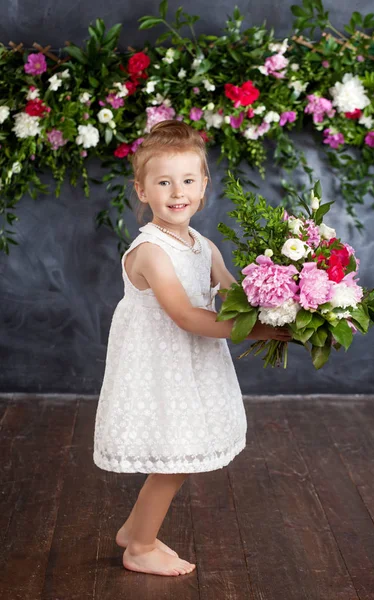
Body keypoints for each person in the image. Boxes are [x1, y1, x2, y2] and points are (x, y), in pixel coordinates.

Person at [93, 119, 292, 577]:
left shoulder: (201, 244)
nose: (177, 191)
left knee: (180, 453)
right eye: (163, 182)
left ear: (203, 186)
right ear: (142, 191)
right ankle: (139, 546)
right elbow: (185, 315)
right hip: (160, 365)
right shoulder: (151, 252)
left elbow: (231, 293)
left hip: (191, 363)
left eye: (187, 180)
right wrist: (259, 331)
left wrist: (284, 305)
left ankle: (134, 530)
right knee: (175, 455)